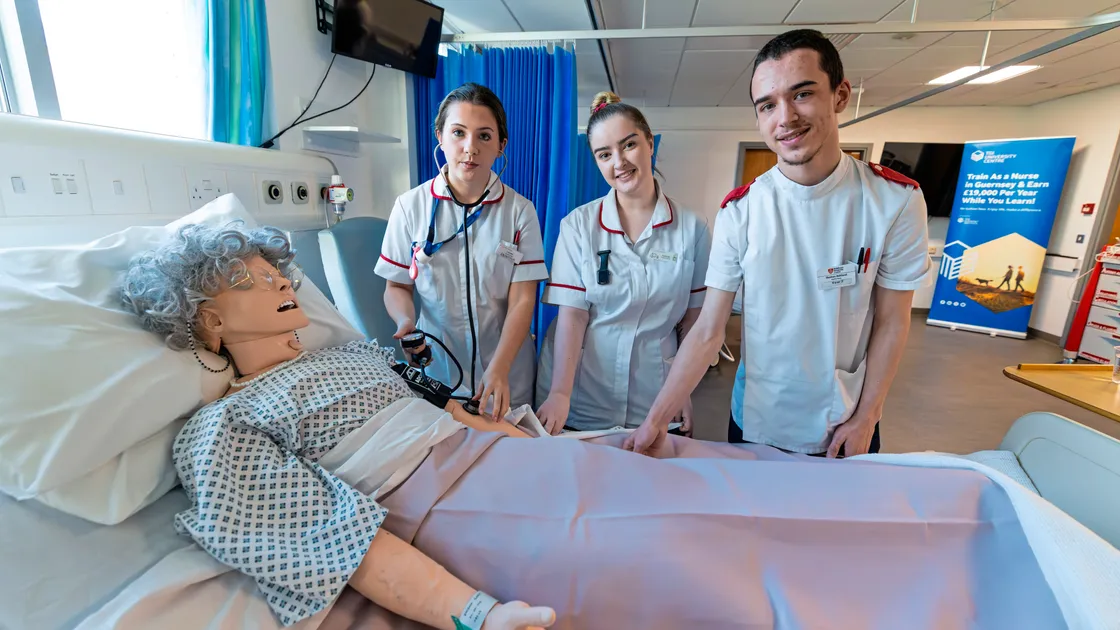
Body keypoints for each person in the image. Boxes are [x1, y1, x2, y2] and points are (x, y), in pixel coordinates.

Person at [118, 223, 1062, 630]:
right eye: (247, 279)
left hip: (516, 461)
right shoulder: (222, 433)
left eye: (276, 269)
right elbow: (340, 544)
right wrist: (474, 613)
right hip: (454, 512)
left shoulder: (350, 355)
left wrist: (536, 437)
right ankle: (957, 598)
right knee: (700, 552)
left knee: (718, 478)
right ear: (204, 320)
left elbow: (445, 411)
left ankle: (971, 514)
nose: (278, 281)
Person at [626, 29, 933, 459]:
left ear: (840, 95)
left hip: (845, 422)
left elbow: (892, 322)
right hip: (757, 419)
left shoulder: (892, 201)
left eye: (802, 94)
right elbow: (709, 330)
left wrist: (868, 415)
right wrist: (656, 420)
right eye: (767, 105)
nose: (785, 117)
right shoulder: (741, 212)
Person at [534, 92, 710, 435]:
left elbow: (693, 319)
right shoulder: (578, 226)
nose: (619, 162)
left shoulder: (693, 228)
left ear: (649, 143)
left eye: (629, 145)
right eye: (604, 154)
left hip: (655, 397)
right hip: (582, 392)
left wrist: (681, 390)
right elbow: (573, 316)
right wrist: (560, 394)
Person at [375, 83, 548, 419]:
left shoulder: (519, 211)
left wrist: (499, 367)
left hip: (507, 371)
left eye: (484, 136)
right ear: (440, 136)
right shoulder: (409, 207)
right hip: (437, 368)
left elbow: (523, 300)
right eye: (458, 133)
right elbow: (396, 285)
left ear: (501, 145)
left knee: (511, 447)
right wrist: (406, 321)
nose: (470, 148)